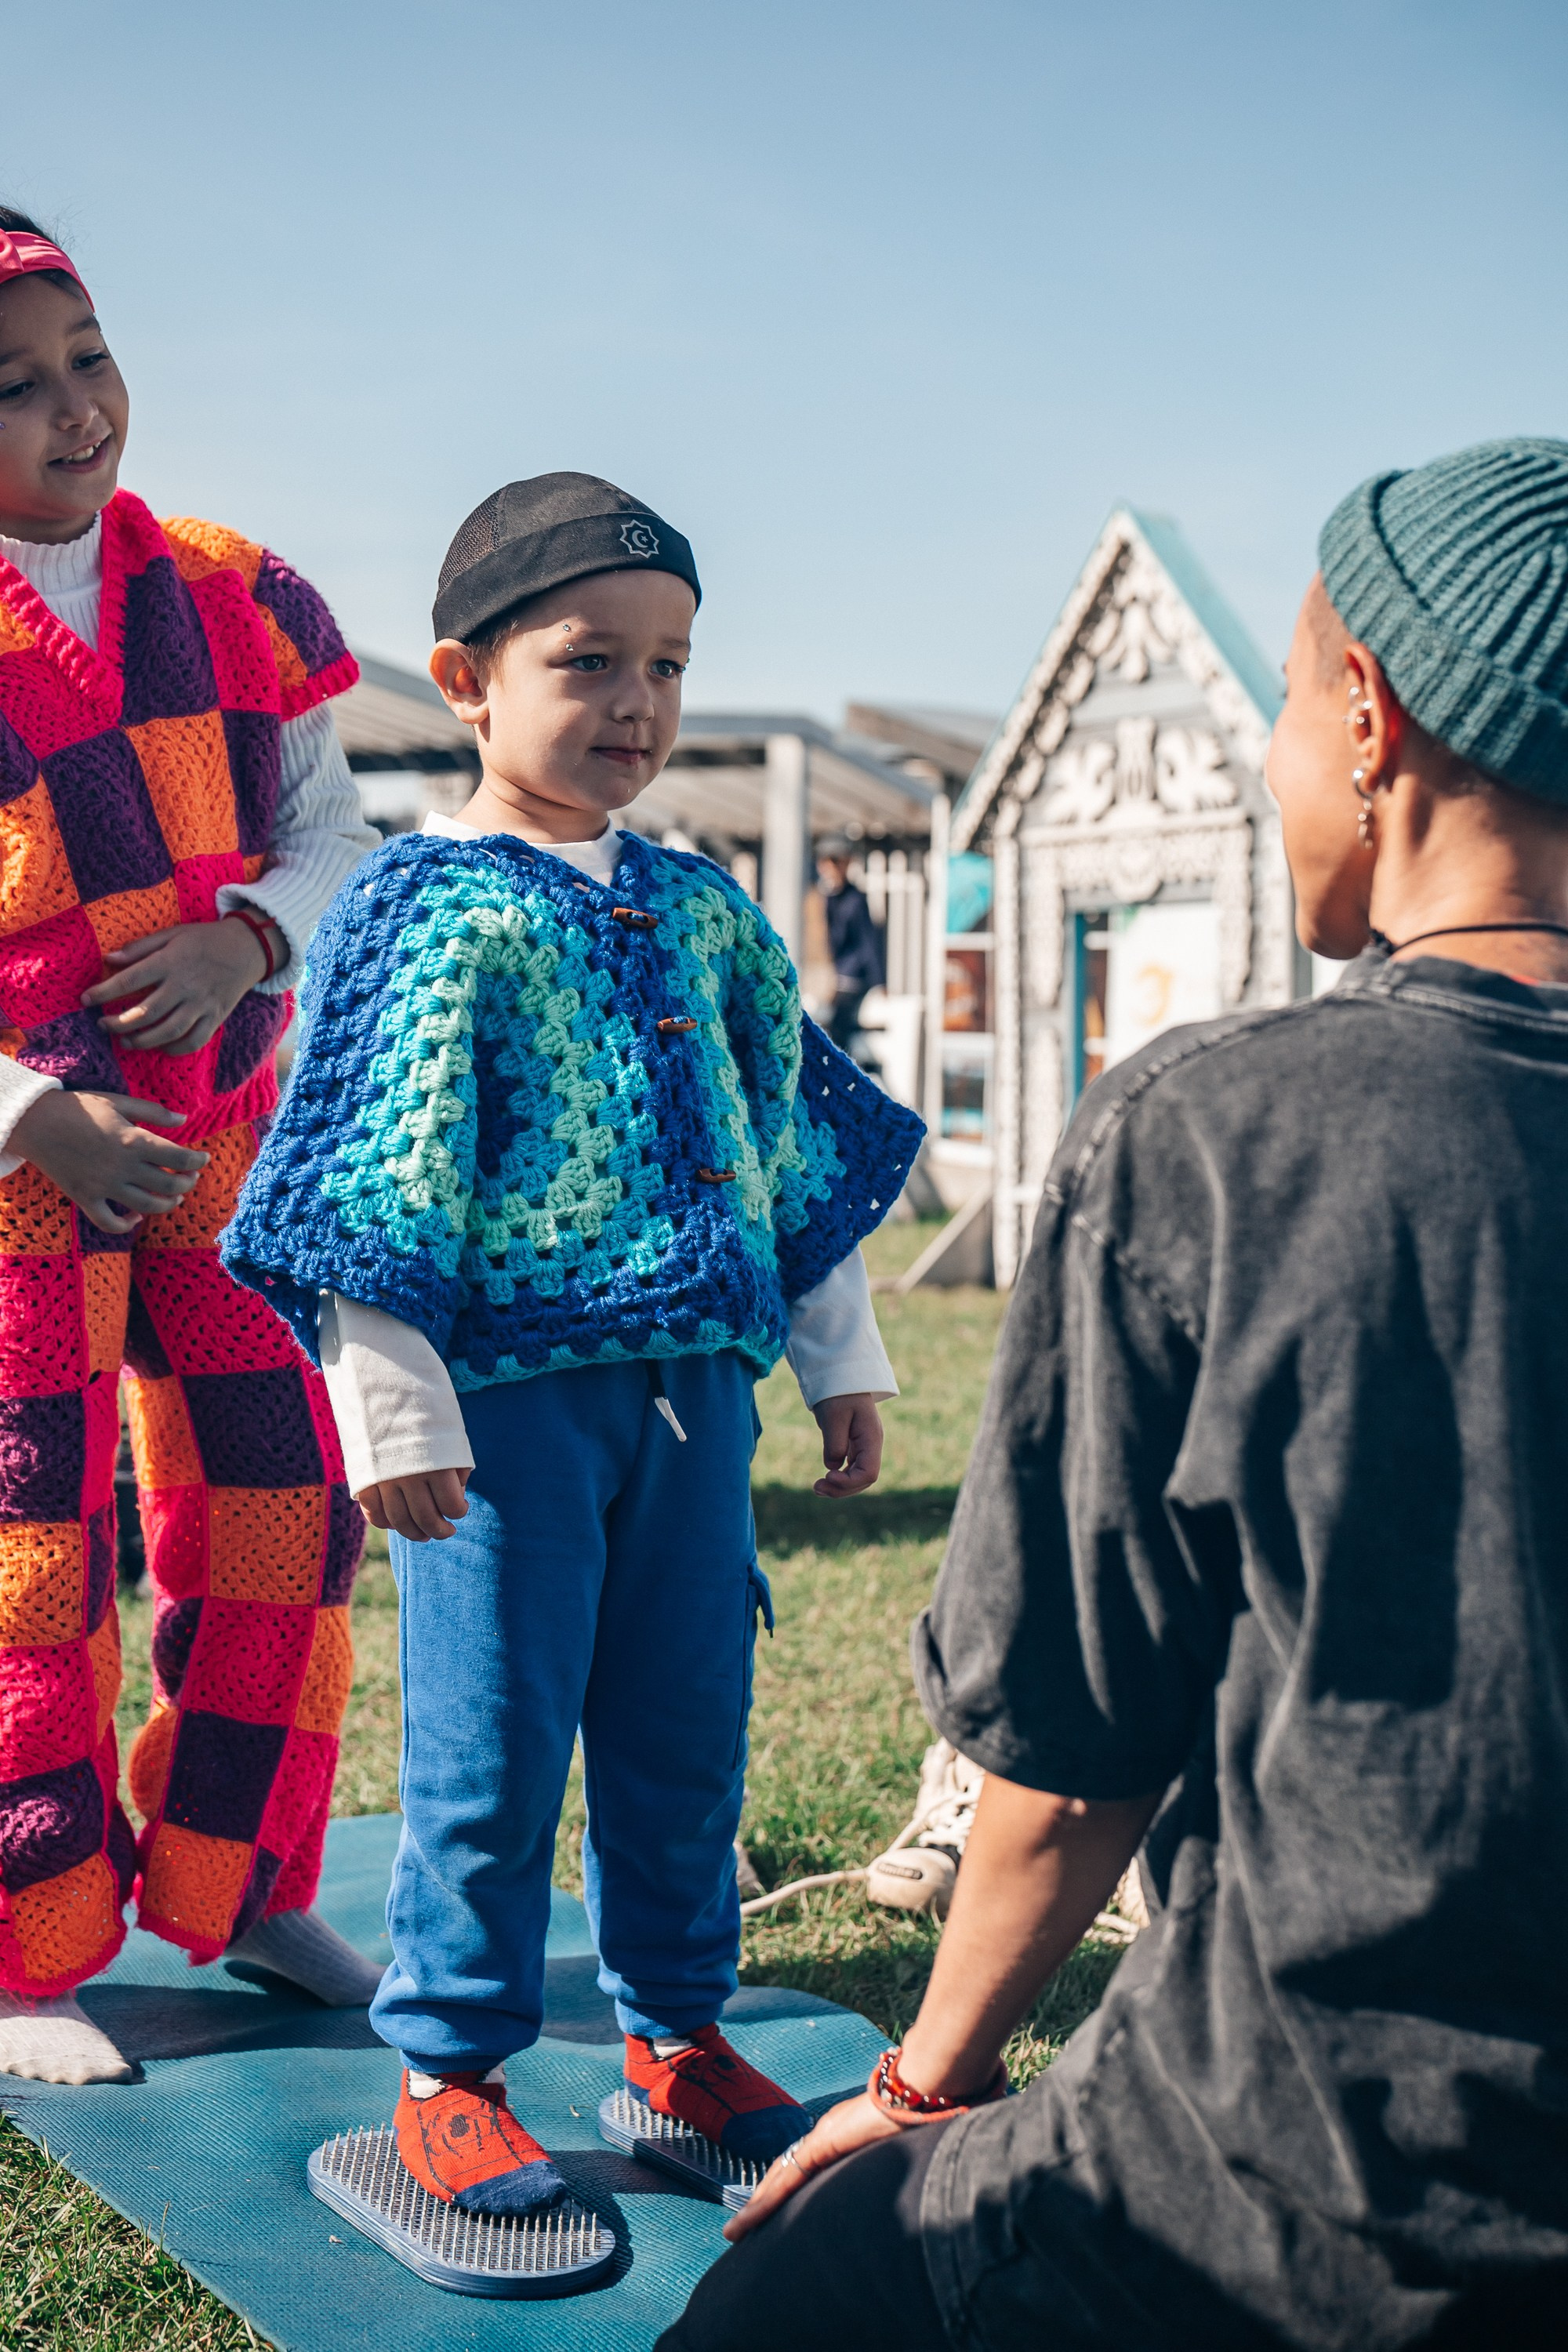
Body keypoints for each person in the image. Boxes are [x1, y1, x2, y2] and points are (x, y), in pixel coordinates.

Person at [659, 435, 1568, 2350]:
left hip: (1290, 2205)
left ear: (1362, 712)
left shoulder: (1220, 1138)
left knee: (774, 2304)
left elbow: (1070, 1755)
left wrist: (913, 2091)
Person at [221, 473, 924, 2220]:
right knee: (494, 1742)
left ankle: (674, 2040)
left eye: (669, 667)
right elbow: (371, 1188)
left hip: (693, 1412)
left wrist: (840, 1358)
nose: (635, 704)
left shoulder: (700, 910)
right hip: (501, 1423)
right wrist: (389, 1410)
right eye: (587, 661)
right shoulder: (420, 908)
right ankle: (449, 2066)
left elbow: (780, 1151)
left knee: (689, 1728)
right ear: (466, 679)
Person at [0, 211, 381, 2088]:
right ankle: (27, 1938)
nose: (77, 404)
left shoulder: (238, 593)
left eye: (88, 350)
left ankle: (240, 1881)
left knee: (282, 1508)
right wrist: (35, 1114)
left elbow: (332, 830)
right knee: (26, 1556)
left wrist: (254, 934)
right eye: (16, 381)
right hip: (16, 1182)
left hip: (226, 1142)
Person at [815, 837, 884, 1051]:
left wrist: (879, 981)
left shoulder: (855, 899)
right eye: (827, 861)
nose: (831, 868)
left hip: (850, 978)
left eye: (836, 861)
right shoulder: (822, 898)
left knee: (838, 1028)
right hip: (825, 976)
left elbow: (867, 943)